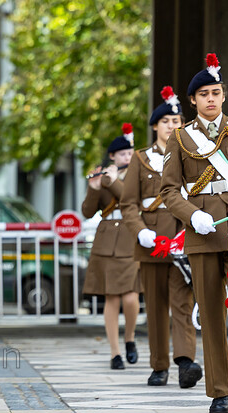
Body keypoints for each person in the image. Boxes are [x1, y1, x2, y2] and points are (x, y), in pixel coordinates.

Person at [160, 54, 228, 413]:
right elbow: (169, 191)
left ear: (224, 95)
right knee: (209, 312)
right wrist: (192, 216)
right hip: (202, 232)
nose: (211, 98)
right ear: (193, 100)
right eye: (204, 93)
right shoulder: (180, 138)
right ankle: (219, 390)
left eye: (216, 92)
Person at [120, 86, 202, 388]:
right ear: (155, 125)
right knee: (155, 307)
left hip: (182, 244)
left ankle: (184, 362)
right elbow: (128, 204)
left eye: (177, 121)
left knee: (183, 304)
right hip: (151, 244)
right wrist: (140, 232)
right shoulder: (140, 161)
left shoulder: (193, 156)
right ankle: (159, 365)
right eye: (166, 121)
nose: (172, 125)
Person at [82, 124, 141, 370]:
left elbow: (130, 199)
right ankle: (115, 353)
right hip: (106, 241)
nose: (128, 157)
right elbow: (87, 211)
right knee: (111, 298)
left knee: (130, 297)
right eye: (123, 154)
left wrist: (115, 181)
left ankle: (129, 337)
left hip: (130, 238)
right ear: (112, 156)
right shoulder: (105, 177)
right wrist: (94, 188)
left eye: (130, 153)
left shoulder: (139, 174)